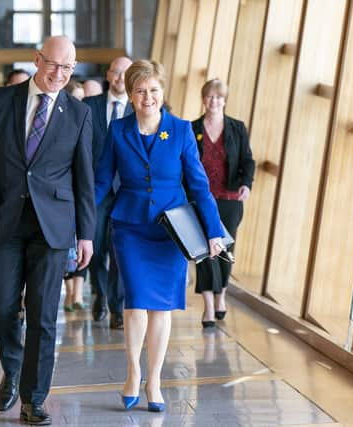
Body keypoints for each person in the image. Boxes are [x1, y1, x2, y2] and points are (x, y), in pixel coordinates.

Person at [0, 36, 95, 426]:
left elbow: (85, 179)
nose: (59, 75)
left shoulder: (79, 114)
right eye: (52, 65)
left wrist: (86, 234)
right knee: (1, 306)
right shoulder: (0, 101)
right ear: (36, 60)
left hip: (53, 227)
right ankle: (13, 366)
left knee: (44, 315)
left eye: (67, 68)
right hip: (2, 222)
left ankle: (34, 398)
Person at [94, 59, 225, 412]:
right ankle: (133, 371)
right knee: (135, 302)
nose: (147, 97)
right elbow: (103, 181)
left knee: (162, 309)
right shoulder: (118, 131)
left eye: (153, 90)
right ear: (131, 94)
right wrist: (79, 220)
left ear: (162, 92)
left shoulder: (180, 131)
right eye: (140, 91)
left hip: (171, 233)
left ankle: (155, 380)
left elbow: (199, 187)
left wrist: (214, 232)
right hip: (131, 228)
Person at [191, 78, 255, 328]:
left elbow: (248, 160)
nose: (213, 101)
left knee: (225, 249)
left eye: (218, 97)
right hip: (201, 198)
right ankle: (208, 305)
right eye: (209, 96)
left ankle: (221, 295)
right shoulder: (192, 127)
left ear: (225, 100)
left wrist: (246, 184)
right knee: (205, 251)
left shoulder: (237, 128)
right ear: (203, 99)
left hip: (229, 198)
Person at [83, 56, 133, 329]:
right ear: (108, 74)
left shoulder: (138, 109)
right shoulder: (89, 106)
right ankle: (100, 294)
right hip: (96, 191)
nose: (120, 78)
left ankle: (116, 306)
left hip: (126, 192)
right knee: (96, 247)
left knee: (119, 251)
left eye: (126, 73)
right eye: (116, 72)